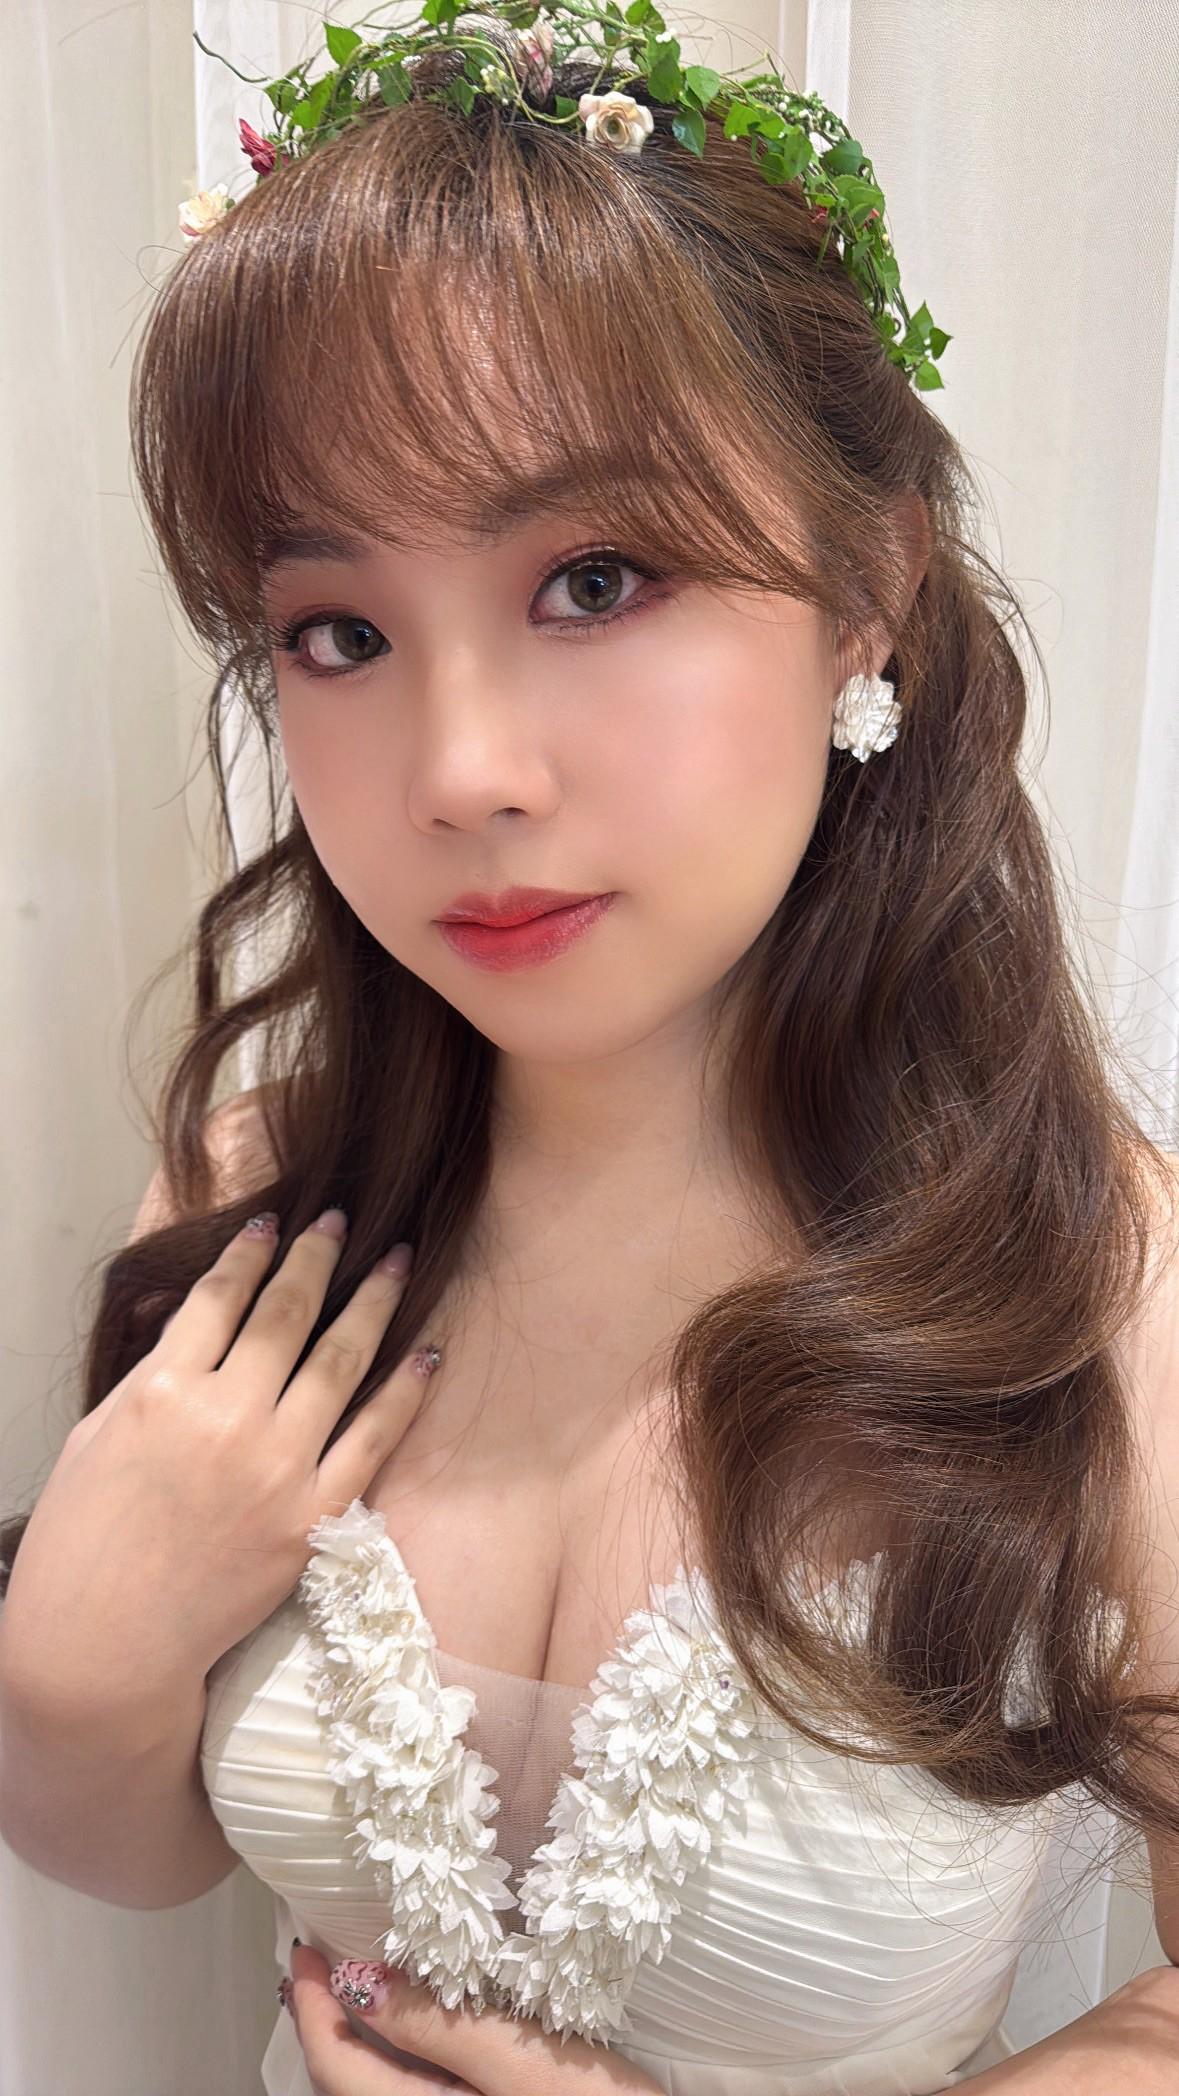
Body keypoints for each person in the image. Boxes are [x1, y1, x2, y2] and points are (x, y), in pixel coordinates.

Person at [4, 8, 1179, 2094]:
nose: (458, 770)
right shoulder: (265, 1192)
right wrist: (75, 1676)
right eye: (339, 632)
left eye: (596, 578)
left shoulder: (1098, 1285)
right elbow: (142, 1852)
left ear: (867, 589)